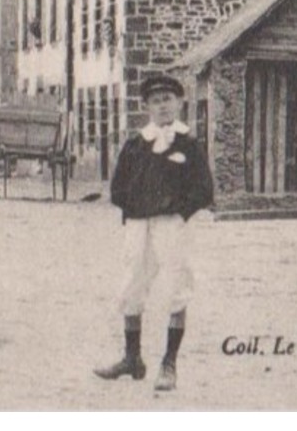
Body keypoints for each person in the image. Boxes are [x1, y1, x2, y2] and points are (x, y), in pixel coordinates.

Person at [95, 74, 215, 393]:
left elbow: (204, 190)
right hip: (138, 224)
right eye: (156, 101)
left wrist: (177, 211)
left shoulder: (188, 145)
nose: (163, 106)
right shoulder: (136, 145)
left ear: (179, 103)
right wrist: (136, 207)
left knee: (177, 283)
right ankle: (132, 358)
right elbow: (118, 187)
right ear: (146, 106)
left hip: (172, 225)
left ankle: (169, 363)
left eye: (168, 100)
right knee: (132, 282)